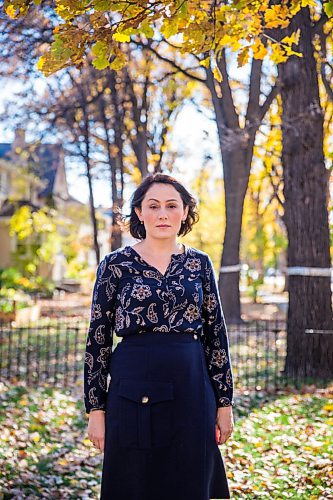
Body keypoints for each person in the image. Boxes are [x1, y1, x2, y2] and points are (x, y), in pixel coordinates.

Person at [84, 173, 235, 500]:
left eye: (171, 205)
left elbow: (216, 336)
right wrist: (96, 410)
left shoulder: (200, 264)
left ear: (184, 212)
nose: (163, 214)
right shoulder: (115, 265)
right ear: (139, 212)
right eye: (153, 206)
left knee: (190, 479)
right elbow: (97, 340)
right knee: (136, 482)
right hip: (131, 392)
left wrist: (224, 402)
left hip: (192, 388)